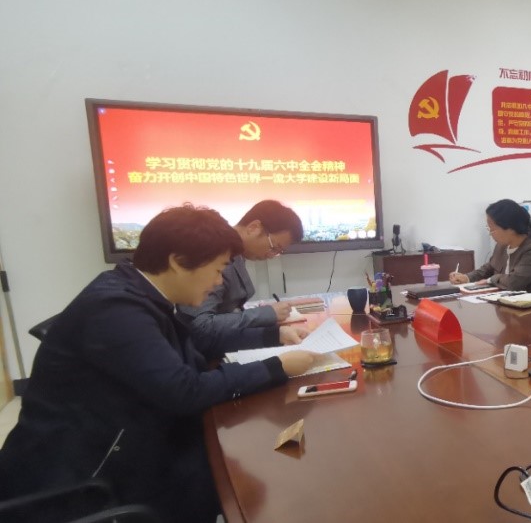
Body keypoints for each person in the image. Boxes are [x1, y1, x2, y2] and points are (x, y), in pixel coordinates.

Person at [0, 205, 317, 522]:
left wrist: (270, 337)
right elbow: (184, 391)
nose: (218, 282)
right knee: (244, 475)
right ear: (178, 261)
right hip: (86, 478)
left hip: (126, 439)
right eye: (217, 269)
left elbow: (194, 346)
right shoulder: (116, 309)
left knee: (245, 457)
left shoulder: (138, 293)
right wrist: (275, 367)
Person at [181, 199, 318, 346]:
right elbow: (201, 325)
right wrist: (266, 314)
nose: (271, 255)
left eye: (278, 252)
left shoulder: (237, 252)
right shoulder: (214, 251)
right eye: (274, 247)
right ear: (253, 227)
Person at [450, 199, 531, 292]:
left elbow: (513, 282)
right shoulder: (502, 246)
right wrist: (466, 277)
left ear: (510, 228)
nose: (490, 234)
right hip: (508, 301)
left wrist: (491, 280)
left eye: (492, 229)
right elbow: (489, 268)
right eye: (488, 228)